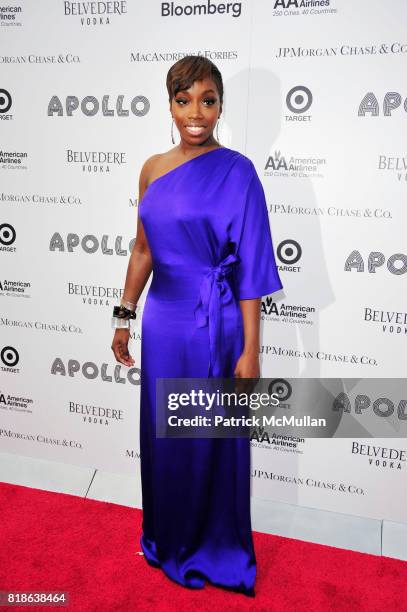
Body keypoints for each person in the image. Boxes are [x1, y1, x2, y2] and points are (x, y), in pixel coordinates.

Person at [111, 55, 283, 597]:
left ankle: (215, 547)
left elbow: (252, 267)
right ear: (169, 105)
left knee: (211, 437)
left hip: (220, 325)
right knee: (167, 438)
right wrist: (124, 313)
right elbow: (143, 248)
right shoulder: (152, 169)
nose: (195, 112)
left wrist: (251, 350)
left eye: (207, 100)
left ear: (220, 107)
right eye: (184, 100)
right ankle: (166, 536)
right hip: (164, 323)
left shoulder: (239, 171)